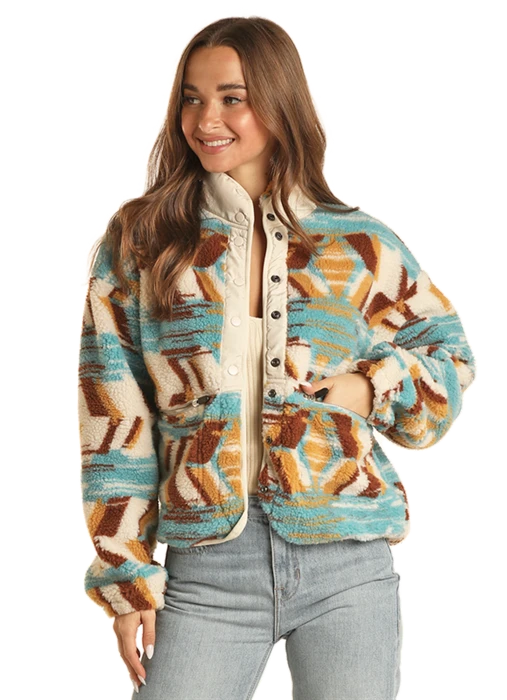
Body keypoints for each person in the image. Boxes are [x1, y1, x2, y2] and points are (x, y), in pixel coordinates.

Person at [78, 15, 476, 700]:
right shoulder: (146, 241)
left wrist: (370, 386)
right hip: (208, 571)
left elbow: (448, 365)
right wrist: (127, 574)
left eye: (231, 98)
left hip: (346, 564)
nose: (206, 119)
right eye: (192, 98)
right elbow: (113, 414)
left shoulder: (357, 245)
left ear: (278, 100)